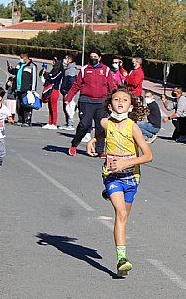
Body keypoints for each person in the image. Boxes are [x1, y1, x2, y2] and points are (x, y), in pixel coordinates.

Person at [85, 88, 153, 277]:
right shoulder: (105, 122)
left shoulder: (133, 127)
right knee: (120, 213)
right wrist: (92, 140)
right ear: (110, 104)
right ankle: (121, 259)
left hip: (132, 178)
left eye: (124, 100)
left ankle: (110, 194)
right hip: (112, 175)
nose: (120, 102)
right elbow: (106, 134)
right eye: (116, 99)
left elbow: (148, 156)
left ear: (131, 106)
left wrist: (126, 162)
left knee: (124, 217)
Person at [66, 50, 117, 156]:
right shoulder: (84, 69)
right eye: (91, 56)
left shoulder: (105, 70)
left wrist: (116, 99)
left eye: (95, 56)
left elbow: (112, 86)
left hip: (101, 102)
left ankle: (99, 151)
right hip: (86, 101)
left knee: (101, 126)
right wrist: (68, 98)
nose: (93, 58)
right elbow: (76, 85)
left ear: (99, 58)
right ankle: (74, 145)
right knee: (84, 125)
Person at [7, 51, 38, 127]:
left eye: (21, 57)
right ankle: (21, 119)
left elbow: (34, 78)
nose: (20, 59)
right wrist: (10, 68)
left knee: (26, 105)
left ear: (25, 57)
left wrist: (33, 89)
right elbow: (14, 72)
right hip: (18, 88)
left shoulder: (32, 66)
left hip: (27, 89)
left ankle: (27, 120)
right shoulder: (19, 65)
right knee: (19, 105)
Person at [41, 57, 64, 129]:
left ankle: (54, 123)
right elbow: (48, 77)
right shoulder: (53, 70)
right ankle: (50, 122)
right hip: (49, 89)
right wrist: (46, 73)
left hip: (54, 90)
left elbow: (53, 79)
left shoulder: (60, 71)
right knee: (50, 107)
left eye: (54, 61)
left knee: (54, 108)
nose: (52, 62)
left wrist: (48, 76)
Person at [59, 53, 77, 131]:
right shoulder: (67, 68)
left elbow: (71, 81)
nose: (65, 60)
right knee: (65, 107)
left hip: (69, 92)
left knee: (69, 107)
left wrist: (66, 90)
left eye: (66, 58)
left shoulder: (71, 69)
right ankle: (67, 123)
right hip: (66, 91)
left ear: (70, 60)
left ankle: (70, 124)